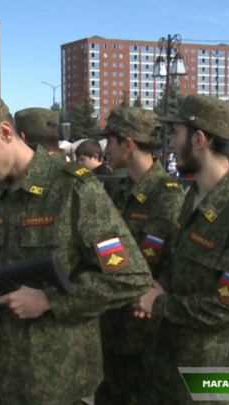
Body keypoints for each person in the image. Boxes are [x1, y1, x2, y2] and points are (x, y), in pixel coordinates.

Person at [0, 90, 151, 404]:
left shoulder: (73, 189)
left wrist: (49, 299)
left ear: (6, 133)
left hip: (54, 382)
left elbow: (130, 277)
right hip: (1, 376)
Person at [134, 95, 229, 405]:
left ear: (198, 139)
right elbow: (179, 262)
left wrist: (160, 304)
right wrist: (160, 286)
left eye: (176, 134)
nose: (170, 142)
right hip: (170, 371)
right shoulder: (193, 196)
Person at [93, 106, 185, 404]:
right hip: (112, 326)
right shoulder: (120, 190)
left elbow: (171, 262)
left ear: (128, 144)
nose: (105, 148)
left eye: (110, 140)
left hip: (144, 332)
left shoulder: (166, 195)